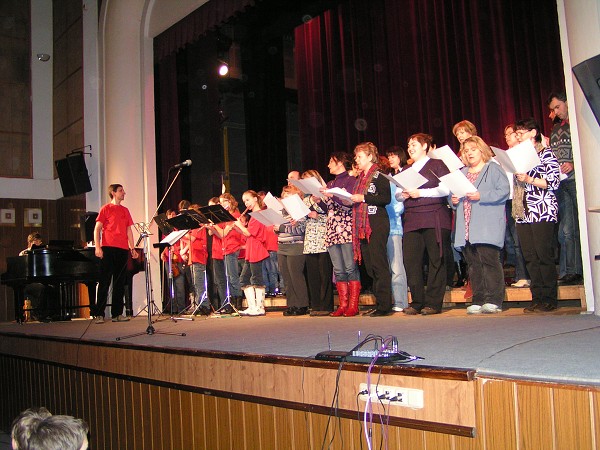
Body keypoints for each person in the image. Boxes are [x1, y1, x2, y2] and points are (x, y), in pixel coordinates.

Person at [451, 136, 510, 314]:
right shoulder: (462, 172)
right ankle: (478, 298)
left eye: (473, 149)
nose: (469, 153)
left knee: (489, 261)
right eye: (466, 150)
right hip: (467, 226)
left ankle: (494, 300)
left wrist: (481, 195)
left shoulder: (493, 168)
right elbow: (452, 196)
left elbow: (504, 191)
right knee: (473, 264)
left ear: (481, 150)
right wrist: (453, 200)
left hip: (486, 224)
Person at [397, 133, 452, 315]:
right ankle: (417, 301)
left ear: (425, 146)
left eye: (414, 144)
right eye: (408, 145)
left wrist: (420, 193)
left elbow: (445, 189)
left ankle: (433, 303)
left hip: (434, 216)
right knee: (411, 261)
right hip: (412, 218)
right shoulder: (406, 169)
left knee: (436, 259)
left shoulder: (437, 165)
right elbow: (397, 194)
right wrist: (403, 194)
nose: (410, 148)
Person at [513, 118, 561, 312]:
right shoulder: (519, 157)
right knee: (530, 257)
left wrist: (529, 179)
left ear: (533, 133)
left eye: (521, 133)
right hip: (523, 212)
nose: (518, 137)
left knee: (543, 255)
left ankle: (549, 298)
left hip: (542, 210)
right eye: (516, 134)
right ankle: (537, 297)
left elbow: (553, 182)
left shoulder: (545, 153)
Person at [350, 142, 393, 316]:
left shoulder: (380, 175)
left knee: (378, 265)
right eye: (356, 157)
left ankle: (385, 305)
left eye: (359, 156)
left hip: (376, 224)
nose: (357, 160)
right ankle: (379, 302)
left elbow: (385, 198)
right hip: (363, 226)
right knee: (370, 267)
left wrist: (363, 197)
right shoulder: (360, 178)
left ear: (369, 157)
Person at [547, 91, 583, 285]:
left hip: (577, 180)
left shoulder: (578, 125)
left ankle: (578, 269)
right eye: (553, 109)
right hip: (561, 183)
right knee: (568, 229)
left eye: (558, 107)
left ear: (567, 102)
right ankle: (572, 270)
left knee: (582, 224)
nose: (556, 112)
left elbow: (586, 149)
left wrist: (573, 163)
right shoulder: (556, 130)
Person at [319, 152, 361, 317]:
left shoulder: (351, 181)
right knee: (338, 269)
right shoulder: (330, 183)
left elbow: (350, 203)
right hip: (332, 229)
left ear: (340, 163)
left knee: (350, 267)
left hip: (346, 228)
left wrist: (334, 196)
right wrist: (320, 201)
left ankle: (353, 305)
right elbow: (328, 208)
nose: (328, 165)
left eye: (331, 162)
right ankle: (343, 304)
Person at [93, 184, 138, 323]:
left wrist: (132, 248)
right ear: (113, 193)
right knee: (104, 281)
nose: (124, 192)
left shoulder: (125, 210)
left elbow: (129, 230)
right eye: (120, 190)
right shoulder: (105, 208)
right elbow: (97, 229)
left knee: (119, 282)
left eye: (123, 190)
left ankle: (117, 314)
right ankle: (99, 314)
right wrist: (98, 247)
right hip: (108, 248)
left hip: (122, 249)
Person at [301, 169, 333, 316]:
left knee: (324, 273)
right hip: (310, 240)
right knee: (313, 274)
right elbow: (303, 217)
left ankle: (326, 305)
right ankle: (316, 305)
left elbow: (331, 213)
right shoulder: (305, 199)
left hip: (323, 237)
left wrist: (318, 213)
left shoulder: (326, 194)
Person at [503, 124, 530, 288]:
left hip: (520, 199)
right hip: (508, 199)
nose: (507, 137)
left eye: (510, 134)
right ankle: (519, 274)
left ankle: (524, 275)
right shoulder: (505, 155)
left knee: (519, 239)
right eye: (505, 135)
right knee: (512, 240)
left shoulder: (524, 152)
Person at [234, 190, 270, 316]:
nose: (246, 203)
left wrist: (239, 224)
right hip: (251, 249)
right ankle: (252, 306)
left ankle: (260, 308)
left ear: (255, 199)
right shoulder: (254, 215)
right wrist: (237, 227)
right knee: (244, 279)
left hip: (256, 249)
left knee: (256, 278)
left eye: (248, 200)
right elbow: (247, 234)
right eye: (244, 201)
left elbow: (249, 233)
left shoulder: (258, 215)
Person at [276, 185, 309, 316]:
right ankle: (292, 304)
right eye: (284, 196)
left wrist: (281, 228)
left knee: (296, 276)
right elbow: (278, 229)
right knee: (287, 278)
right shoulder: (281, 212)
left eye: (288, 196)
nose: (285, 198)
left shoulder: (299, 210)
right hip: (282, 246)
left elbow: (301, 229)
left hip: (295, 246)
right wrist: (276, 229)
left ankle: (302, 304)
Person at [209, 193, 244, 311]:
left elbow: (223, 233)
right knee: (228, 277)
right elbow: (219, 234)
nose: (222, 204)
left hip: (232, 248)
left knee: (232, 277)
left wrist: (215, 225)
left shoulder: (234, 215)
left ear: (230, 202)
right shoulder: (225, 216)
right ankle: (232, 303)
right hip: (226, 248)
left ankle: (238, 302)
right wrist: (211, 227)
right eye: (221, 202)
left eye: (224, 201)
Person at [385, 148, 409, 312]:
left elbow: (399, 204)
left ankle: (401, 301)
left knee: (397, 265)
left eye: (393, 156)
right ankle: (393, 299)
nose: (391, 159)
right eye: (389, 156)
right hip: (385, 224)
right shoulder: (388, 177)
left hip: (397, 224)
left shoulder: (405, 174)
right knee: (389, 265)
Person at [183, 204, 211, 315]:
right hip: (194, 256)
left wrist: (182, 232)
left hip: (199, 256)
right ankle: (200, 305)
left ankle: (204, 305)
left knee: (199, 283)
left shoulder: (198, 225)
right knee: (196, 283)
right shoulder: (195, 226)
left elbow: (192, 238)